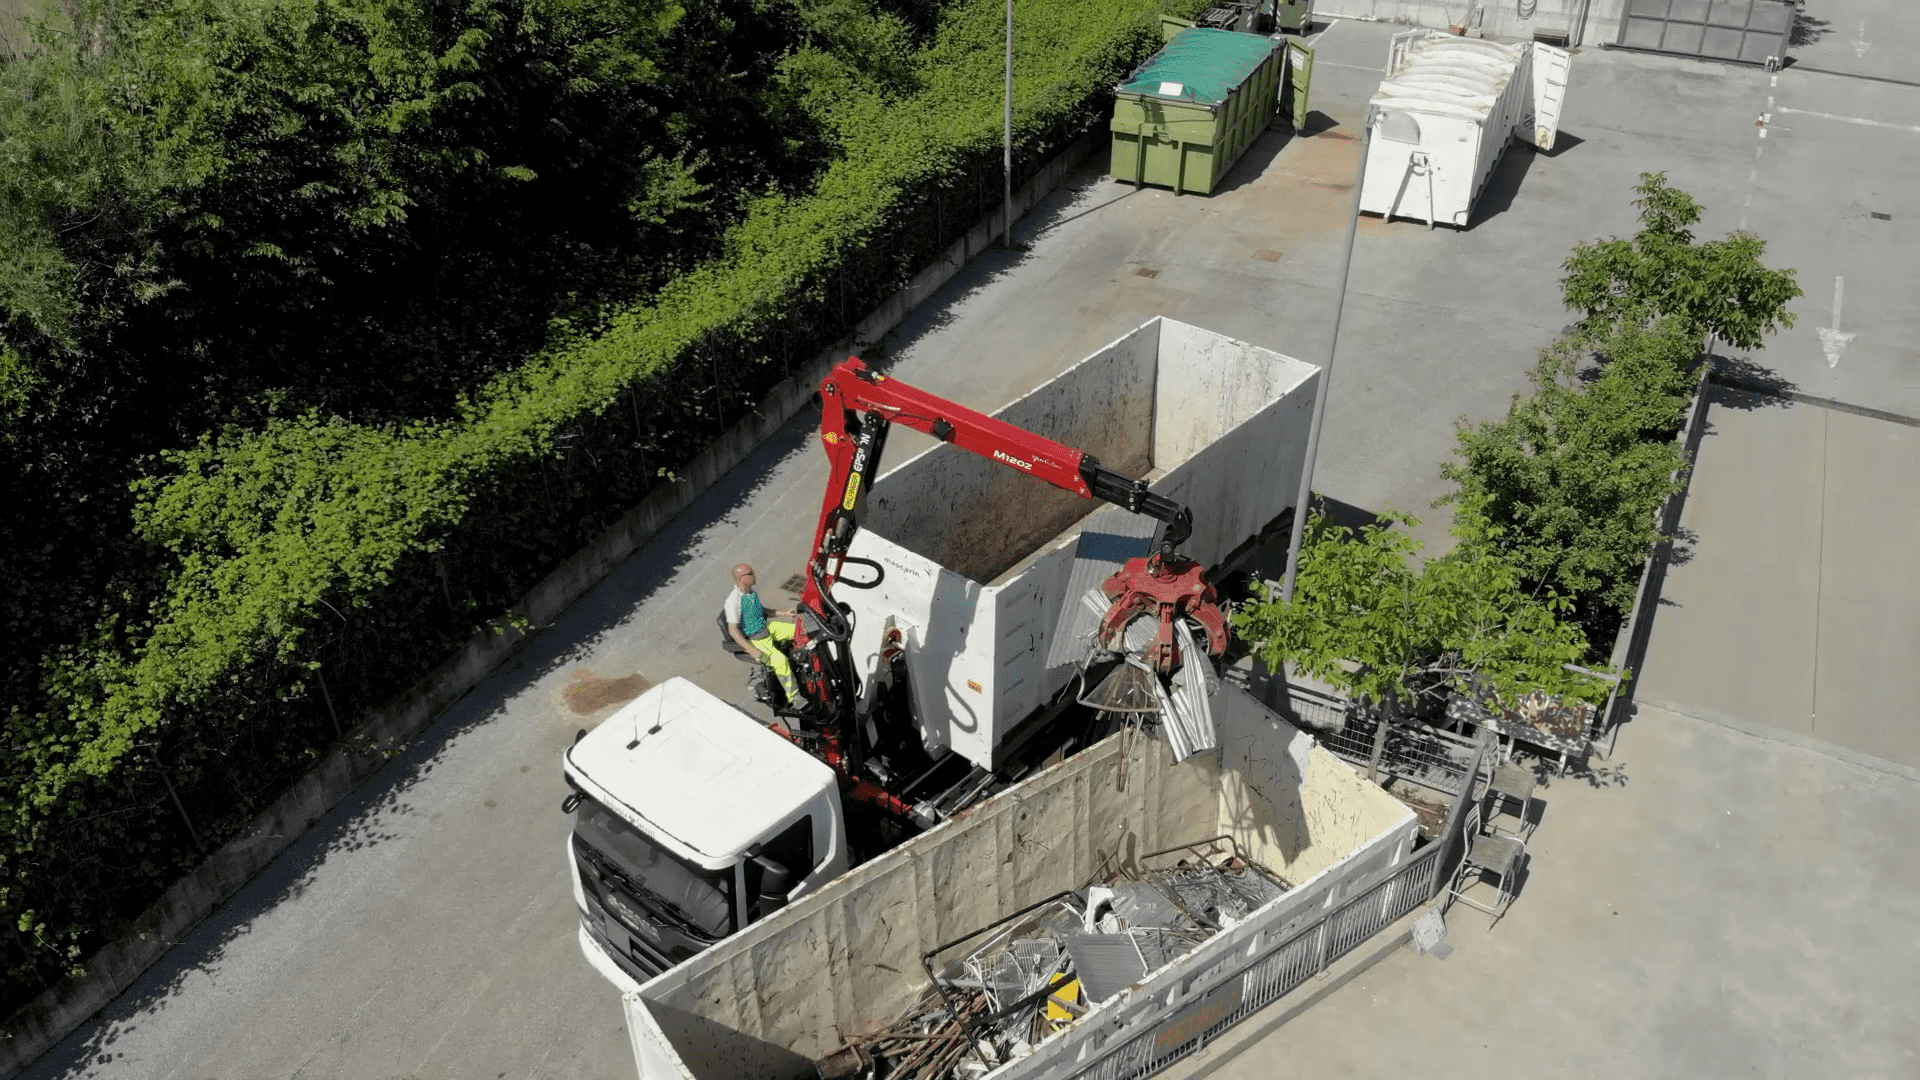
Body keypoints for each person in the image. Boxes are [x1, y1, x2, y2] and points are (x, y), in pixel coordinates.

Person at [723, 564, 801, 705]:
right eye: (751, 573)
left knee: (798, 631)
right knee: (780, 661)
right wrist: (751, 650)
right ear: (742, 578)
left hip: (766, 628)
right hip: (756, 639)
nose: (755, 575)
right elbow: (733, 631)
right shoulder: (733, 601)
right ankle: (794, 697)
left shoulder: (751, 593)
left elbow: (764, 612)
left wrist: (785, 613)